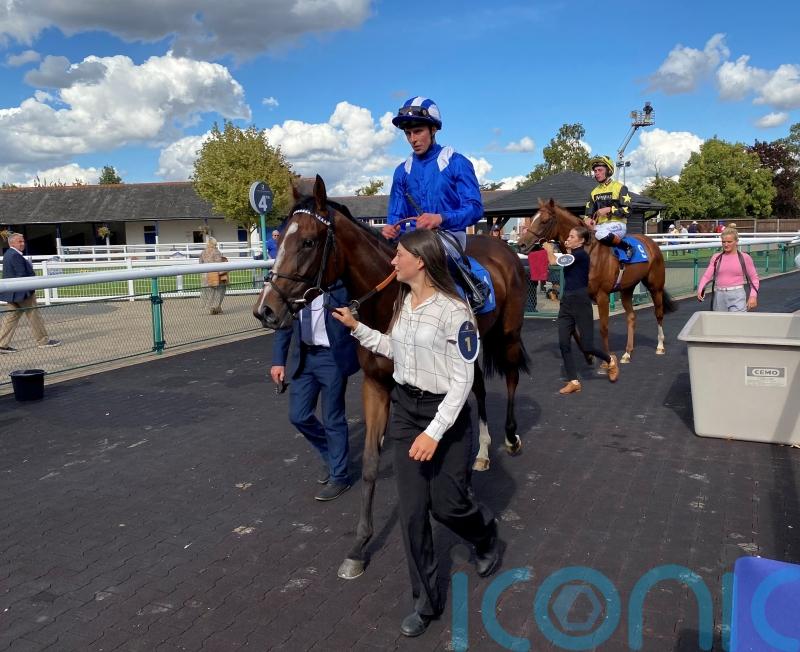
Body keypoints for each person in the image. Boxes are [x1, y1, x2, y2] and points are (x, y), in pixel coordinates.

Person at [332, 229, 500, 637]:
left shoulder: (455, 311)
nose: (392, 261)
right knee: (412, 513)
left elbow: (463, 383)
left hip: (447, 415)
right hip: (407, 412)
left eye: (400, 255)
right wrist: (356, 327)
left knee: (448, 506)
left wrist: (434, 434)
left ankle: (486, 537)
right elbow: (395, 349)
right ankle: (425, 602)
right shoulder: (405, 303)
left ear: (420, 261)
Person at [381, 96, 489, 310]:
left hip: (449, 236)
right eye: (408, 133)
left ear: (433, 130)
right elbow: (396, 216)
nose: (413, 139)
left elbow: (475, 208)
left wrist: (441, 217)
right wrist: (390, 228)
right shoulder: (402, 171)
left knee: (438, 262)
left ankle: (470, 299)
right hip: (411, 240)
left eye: (418, 131)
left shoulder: (457, 162)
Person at [270, 283, 359, 501]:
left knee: (333, 419)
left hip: (332, 359)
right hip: (304, 359)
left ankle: (340, 476)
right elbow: (285, 324)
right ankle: (332, 455)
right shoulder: (297, 289)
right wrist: (278, 361)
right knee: (298, 416)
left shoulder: (341, 288)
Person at [542, 226, 619, 394]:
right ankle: (574, 381)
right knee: (563, 343)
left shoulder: (581, 256)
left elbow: (554, 262)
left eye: (571, 236)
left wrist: (548, 249)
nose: (567, 238)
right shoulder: (571, 255)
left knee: (587, 346)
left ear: (581, 240)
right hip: (567, 303)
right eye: (568, 236)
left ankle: (610, 361)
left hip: (581, 302)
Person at [0, 233, 61, 353]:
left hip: (13, 292)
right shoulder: (15, 256)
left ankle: (2, 344)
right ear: (12, 243)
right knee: (34, 316)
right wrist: (31, 287)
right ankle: (43, 341)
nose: (23, 244)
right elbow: (22, 275)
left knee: (11, 317)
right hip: (23, 293)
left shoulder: (8, 254)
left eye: (23, 241)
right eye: (19, 242)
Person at [696, 226, 759, 312]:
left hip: (737, 295)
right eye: (723, 242)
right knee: (720, 324)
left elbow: (754, 278)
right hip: (719, 295)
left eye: (729, 242)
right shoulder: (716, 258)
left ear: (736, 242)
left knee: (737, 323)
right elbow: (707, 276)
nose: (726, 244)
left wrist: (753, 296)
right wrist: (700, 289)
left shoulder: (745, 258)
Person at [583, 155, 633, 258]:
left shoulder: (620, 188)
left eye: (600, 170)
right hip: (599, 227)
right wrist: (587, 219)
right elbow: (588, 214)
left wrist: (610, 209)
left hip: (618, 224)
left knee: (599, 234)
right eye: (595, 171)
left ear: (608, 170)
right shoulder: (593, 192)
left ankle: (627, 246)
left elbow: (628, 210)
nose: (597, 173)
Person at [198, 238, 228, 315]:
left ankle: (214, 307)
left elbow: (200, 263)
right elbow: (219, 264)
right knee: (220, 290)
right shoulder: (217, 252)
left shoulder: (203, 252)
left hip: (205, 275)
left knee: (209, 292)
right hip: (215, 275)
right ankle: (216, 307)